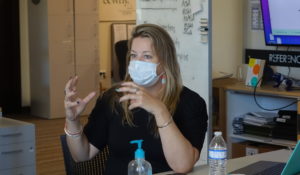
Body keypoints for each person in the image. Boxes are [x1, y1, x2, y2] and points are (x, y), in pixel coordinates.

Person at [64, 23, 208, 175]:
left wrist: (159, 110)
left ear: (165, 62)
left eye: (147, 56)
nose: (138, 62)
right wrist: (72, 121)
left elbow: (182, 166)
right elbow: (81, 155)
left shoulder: (190, 102)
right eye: (133, 55)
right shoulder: (113, 98)